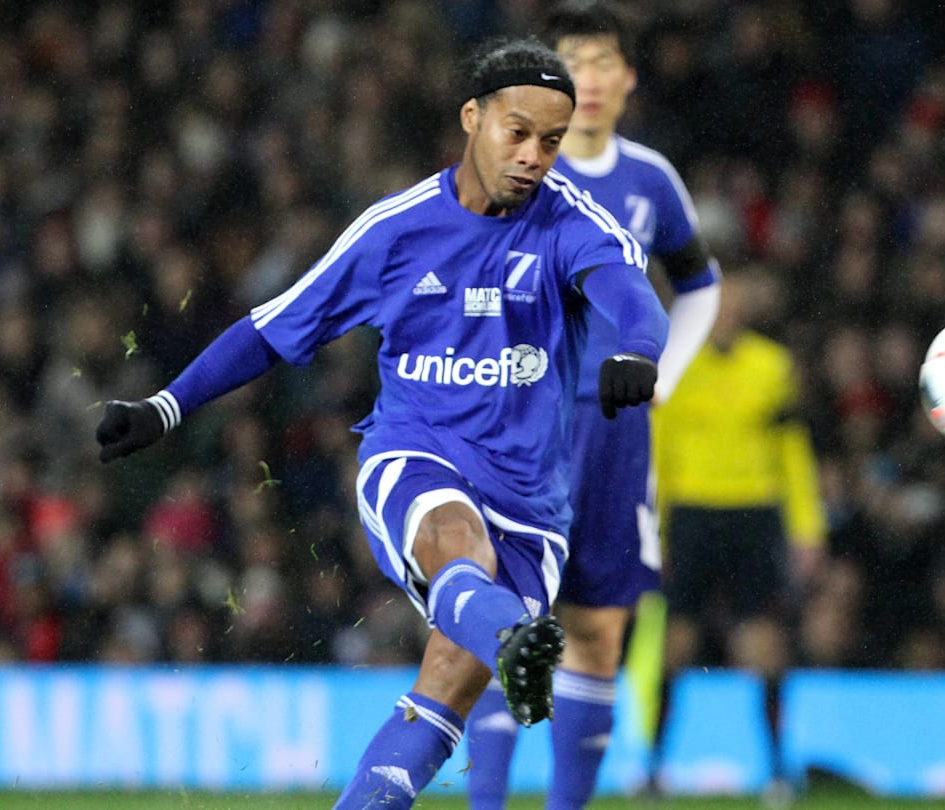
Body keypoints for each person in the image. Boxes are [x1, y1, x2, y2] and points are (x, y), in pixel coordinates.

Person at [94, 37, 669, 810]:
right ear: (472, 117)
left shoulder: (570, 222)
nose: (536, 155)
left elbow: (631, 292)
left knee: (436, 705)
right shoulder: (395, 230)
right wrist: (165, 407)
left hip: (533, 505)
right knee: (457, 543)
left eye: (553, 140)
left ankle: (472, 673)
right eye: (519, 131)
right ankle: (507, 638)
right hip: (417, 458)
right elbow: (272, 329)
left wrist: (637, 348)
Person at [461, 5, 721, 809]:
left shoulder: (650, 180)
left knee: (600, 631)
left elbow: (701, 283)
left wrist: (664, 372)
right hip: (521, 430)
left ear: (628, 77)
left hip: (616, 436)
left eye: (607, 61)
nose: (595, 78)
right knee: (509, 631)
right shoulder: (514, 171)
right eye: (577, 61)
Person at [649, 268, 826, 797]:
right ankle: (655, 769)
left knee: (764, 643)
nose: (724, 317)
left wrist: (807, 528)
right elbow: (657, 453)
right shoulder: (673, 368)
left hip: (754, 516)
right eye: (715, 309)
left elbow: (792, 452)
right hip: (692, 515)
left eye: (732, 308)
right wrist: (651, 530)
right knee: (675, 644)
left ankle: (776, 770)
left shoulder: (772, 367)